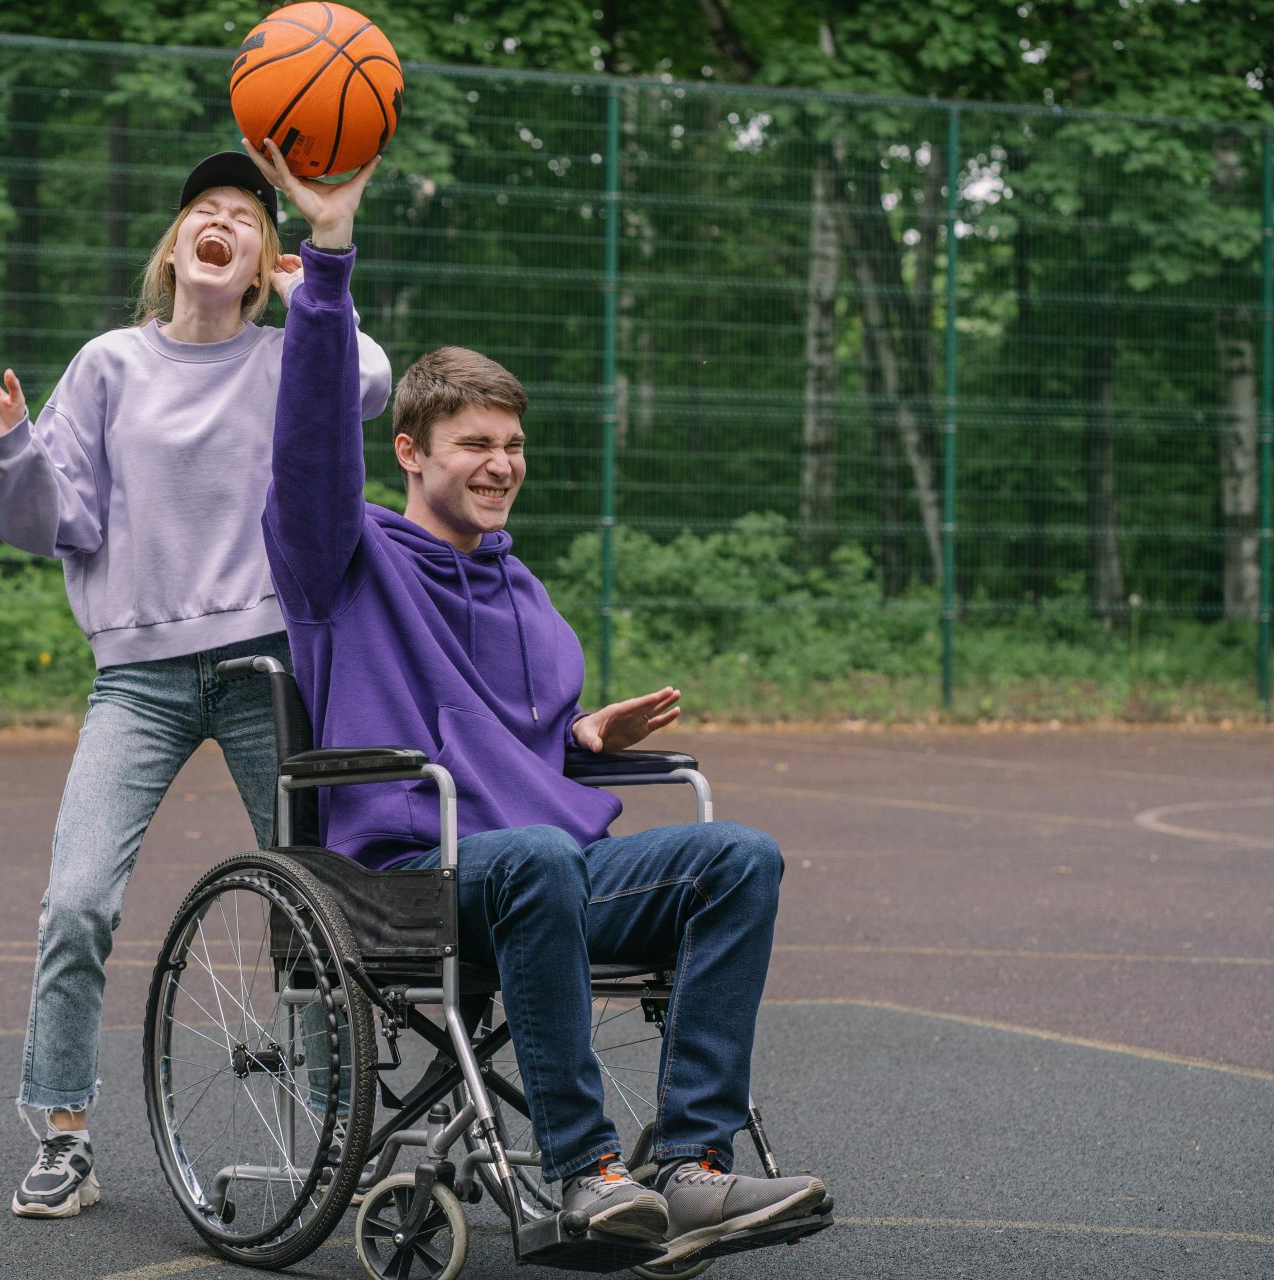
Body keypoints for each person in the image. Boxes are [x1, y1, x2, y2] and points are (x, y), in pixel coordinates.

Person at [247, 138, 829, 1267]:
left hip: (532, 869)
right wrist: (326, 254)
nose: (500, 462)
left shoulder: (521, 589)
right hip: (411, 879)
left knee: (738, 853)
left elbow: (500, 737)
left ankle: (695, 1164)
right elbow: (310, 443)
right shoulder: (340, 554)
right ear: (409, 451)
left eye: (513, 445)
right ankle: (582, 1172)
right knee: (533, 856)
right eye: (474, 443)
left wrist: (574, 738)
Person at [0, 149, 392, 1219]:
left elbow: (374, 382)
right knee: (75, 901)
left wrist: (313, 299)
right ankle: (63, 1132)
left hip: (266, 670)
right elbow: (49, 518)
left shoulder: (287, 354)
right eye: (200, 211)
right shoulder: (110, 364)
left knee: (318, 907)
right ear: (173, 249)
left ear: (261, 267)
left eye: (243, 220)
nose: (219, 223)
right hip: (140, 679)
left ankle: (339, 1126)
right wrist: (7, 445)